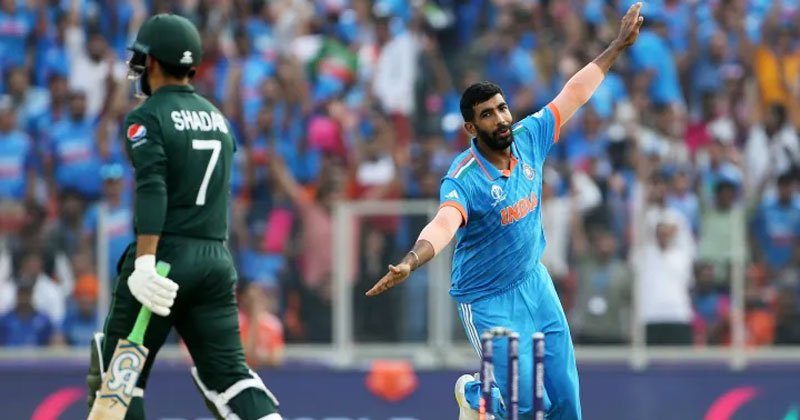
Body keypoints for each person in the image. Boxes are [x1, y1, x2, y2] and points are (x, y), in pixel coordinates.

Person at [365, 4, 644, 420]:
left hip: (535, 283)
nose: (500, 119)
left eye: (501, 108)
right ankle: (475, 393)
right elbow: (445, 222)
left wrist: (617, 46)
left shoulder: (529, 137)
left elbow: (573, 94)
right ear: (471, 128)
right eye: (487, 115)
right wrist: (412, 260)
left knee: (567, 402)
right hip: (487, 301)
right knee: (526, 405)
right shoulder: (464, 176)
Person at [85, 14, 282, 420]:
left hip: (163, 259)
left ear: (154, 62)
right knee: (231, 378)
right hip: (214, 261)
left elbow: (153, 188)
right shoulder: (219, 120)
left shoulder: (147, 116)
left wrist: (145, 262)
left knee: (118, 381)